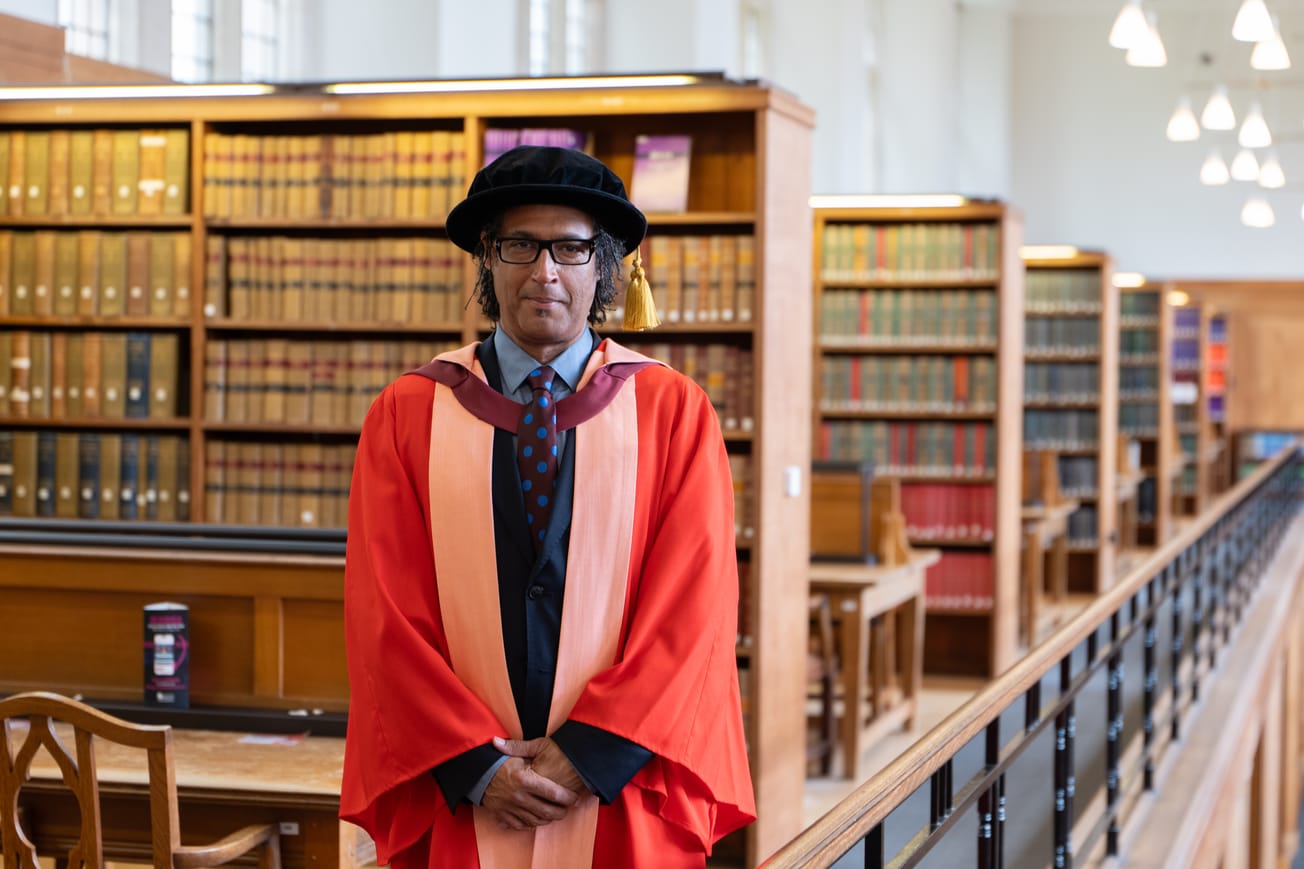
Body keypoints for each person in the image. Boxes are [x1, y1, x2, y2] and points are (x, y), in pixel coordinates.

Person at [340, 145, 755, 869]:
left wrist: (590, 752)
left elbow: (695, 609)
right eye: (520, 245)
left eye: (570, 246)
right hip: (463, 791)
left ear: (606, 267)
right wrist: (475, 765)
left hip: (615, 789)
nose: (544, 271)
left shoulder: (672, 411)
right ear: (486, 261)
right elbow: (384, 614)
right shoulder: (409, 412)